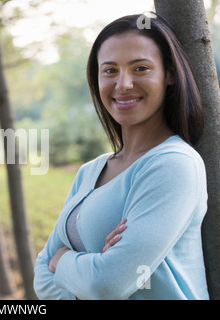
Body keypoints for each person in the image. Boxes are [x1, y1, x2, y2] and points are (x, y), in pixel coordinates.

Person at [33, 13, 209, 300]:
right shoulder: (90, 171)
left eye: (140, 68)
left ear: (170, 74)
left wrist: (64, 262)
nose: (123, 83)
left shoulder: (174, 164)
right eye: (110, 70)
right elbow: (42, 273)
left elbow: (108, 284)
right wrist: (90, 276)